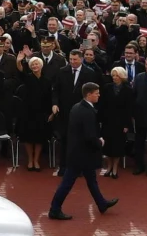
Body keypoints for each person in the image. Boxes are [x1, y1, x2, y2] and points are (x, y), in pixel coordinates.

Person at [48, 82, 118, 220]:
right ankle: (54, 209)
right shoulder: (87, 112)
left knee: (92, 180)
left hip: (78, 153)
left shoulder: (77, 107)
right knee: (67, 183)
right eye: (96, 93)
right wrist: (100, 142)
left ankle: (101, 203)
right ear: (89, 94)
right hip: (81, 156)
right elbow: (90, 136)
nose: (99, 95)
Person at [13, 55, 52, 171]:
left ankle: (36, 160)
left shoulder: (47, 81)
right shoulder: (27, 78)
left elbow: (50, 98)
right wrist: (19, 62)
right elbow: (20, 72)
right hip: (27, 112)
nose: (35, 66)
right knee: (28, 137)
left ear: (41, 65)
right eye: (32, 64)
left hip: (42, 113)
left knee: (39, 138)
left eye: (37, 64)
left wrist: (50, 113)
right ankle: (30, 160)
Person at [98, 67, 134, 179]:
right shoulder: (107, 88)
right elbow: (102, 105)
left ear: (122, 76)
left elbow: (129, 109)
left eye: (117, 75)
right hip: (108, 121)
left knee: (117, 146)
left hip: (121, 123)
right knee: (107, 146)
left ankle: (115, 168)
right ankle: (109, 167)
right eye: (113, 75)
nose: (114, 78)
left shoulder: (128, 90)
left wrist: (127, 125)